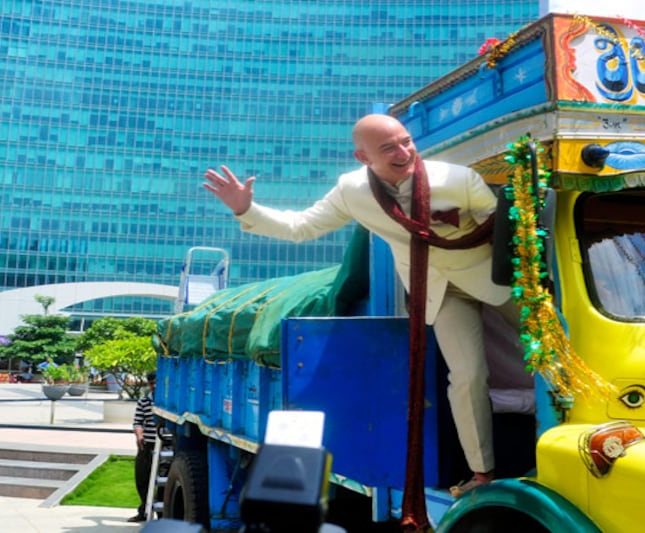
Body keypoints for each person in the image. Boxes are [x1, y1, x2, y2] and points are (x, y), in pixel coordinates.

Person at [203, 113, 522, 497]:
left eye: (407, 141)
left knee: (558, 346)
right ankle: (482, 473)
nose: (404, 152)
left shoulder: (458, 179)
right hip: (437, 289)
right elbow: (302, 227)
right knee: (468, 376)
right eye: (389, 148)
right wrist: (246, 210)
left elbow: (507, 232)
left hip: (494, 276)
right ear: (363, 157)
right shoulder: (352, 190)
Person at [129, 370, 157, 522]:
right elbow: (138, 421)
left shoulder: (168, 402)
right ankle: (144, 511)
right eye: (151, 383)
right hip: (147, 445)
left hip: (165, 445)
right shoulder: (144, 402)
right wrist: (139, 435)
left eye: (156, 383)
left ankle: (162, 513)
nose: (154, 386)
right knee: (141, 477)